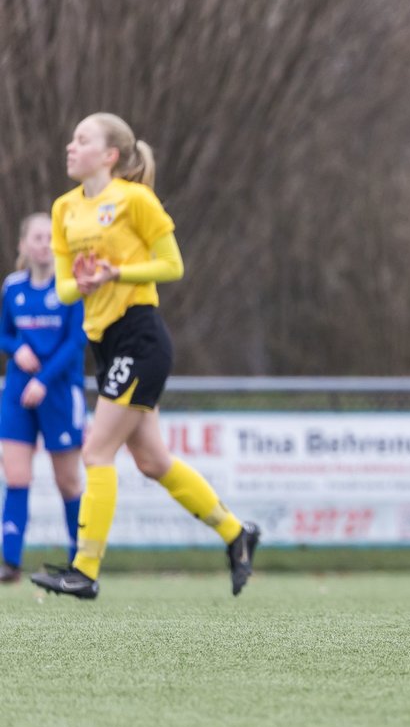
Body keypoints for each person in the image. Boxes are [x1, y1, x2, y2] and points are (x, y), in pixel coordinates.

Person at [30, 113, 259, 600]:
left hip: (141, 338)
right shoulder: (64, 208)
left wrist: (118, 274)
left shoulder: (135, 200)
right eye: (71, 138)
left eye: (82, 139)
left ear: (110, 155)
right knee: (154, 462)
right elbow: (66, 288)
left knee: (95, 452)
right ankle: (237, 535)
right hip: (106, 344)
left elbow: (173, 265)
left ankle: (84, 571)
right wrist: (87, 282)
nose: (71, 146)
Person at [1, 213, 86, 582]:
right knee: (16, 476)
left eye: (50, 237)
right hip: (18, 393)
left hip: (60, 393)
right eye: (36, 237)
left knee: (68, 481)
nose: (44, 244)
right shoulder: (13, 288)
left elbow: (76, 341)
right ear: (23, 245)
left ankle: (81, 563)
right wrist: (15, 348)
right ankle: (10, 562)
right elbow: (3, 333)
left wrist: (45, 380)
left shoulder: (69, 288)